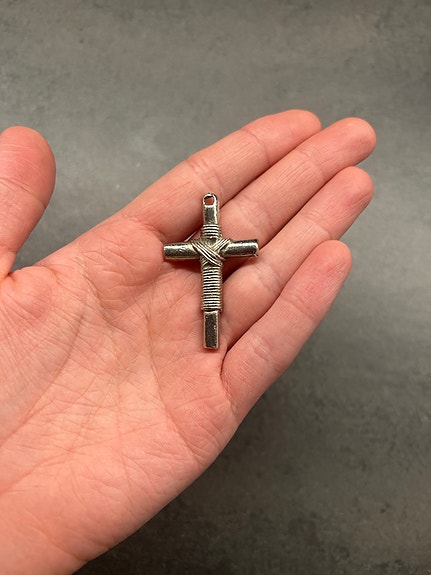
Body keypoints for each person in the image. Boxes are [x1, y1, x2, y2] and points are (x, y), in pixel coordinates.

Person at [0, 110, 375, 574]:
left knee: (216, 306)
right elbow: (189, 249)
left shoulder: (208, 246)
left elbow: (222, 247)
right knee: (212, 306)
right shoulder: (204, 247)